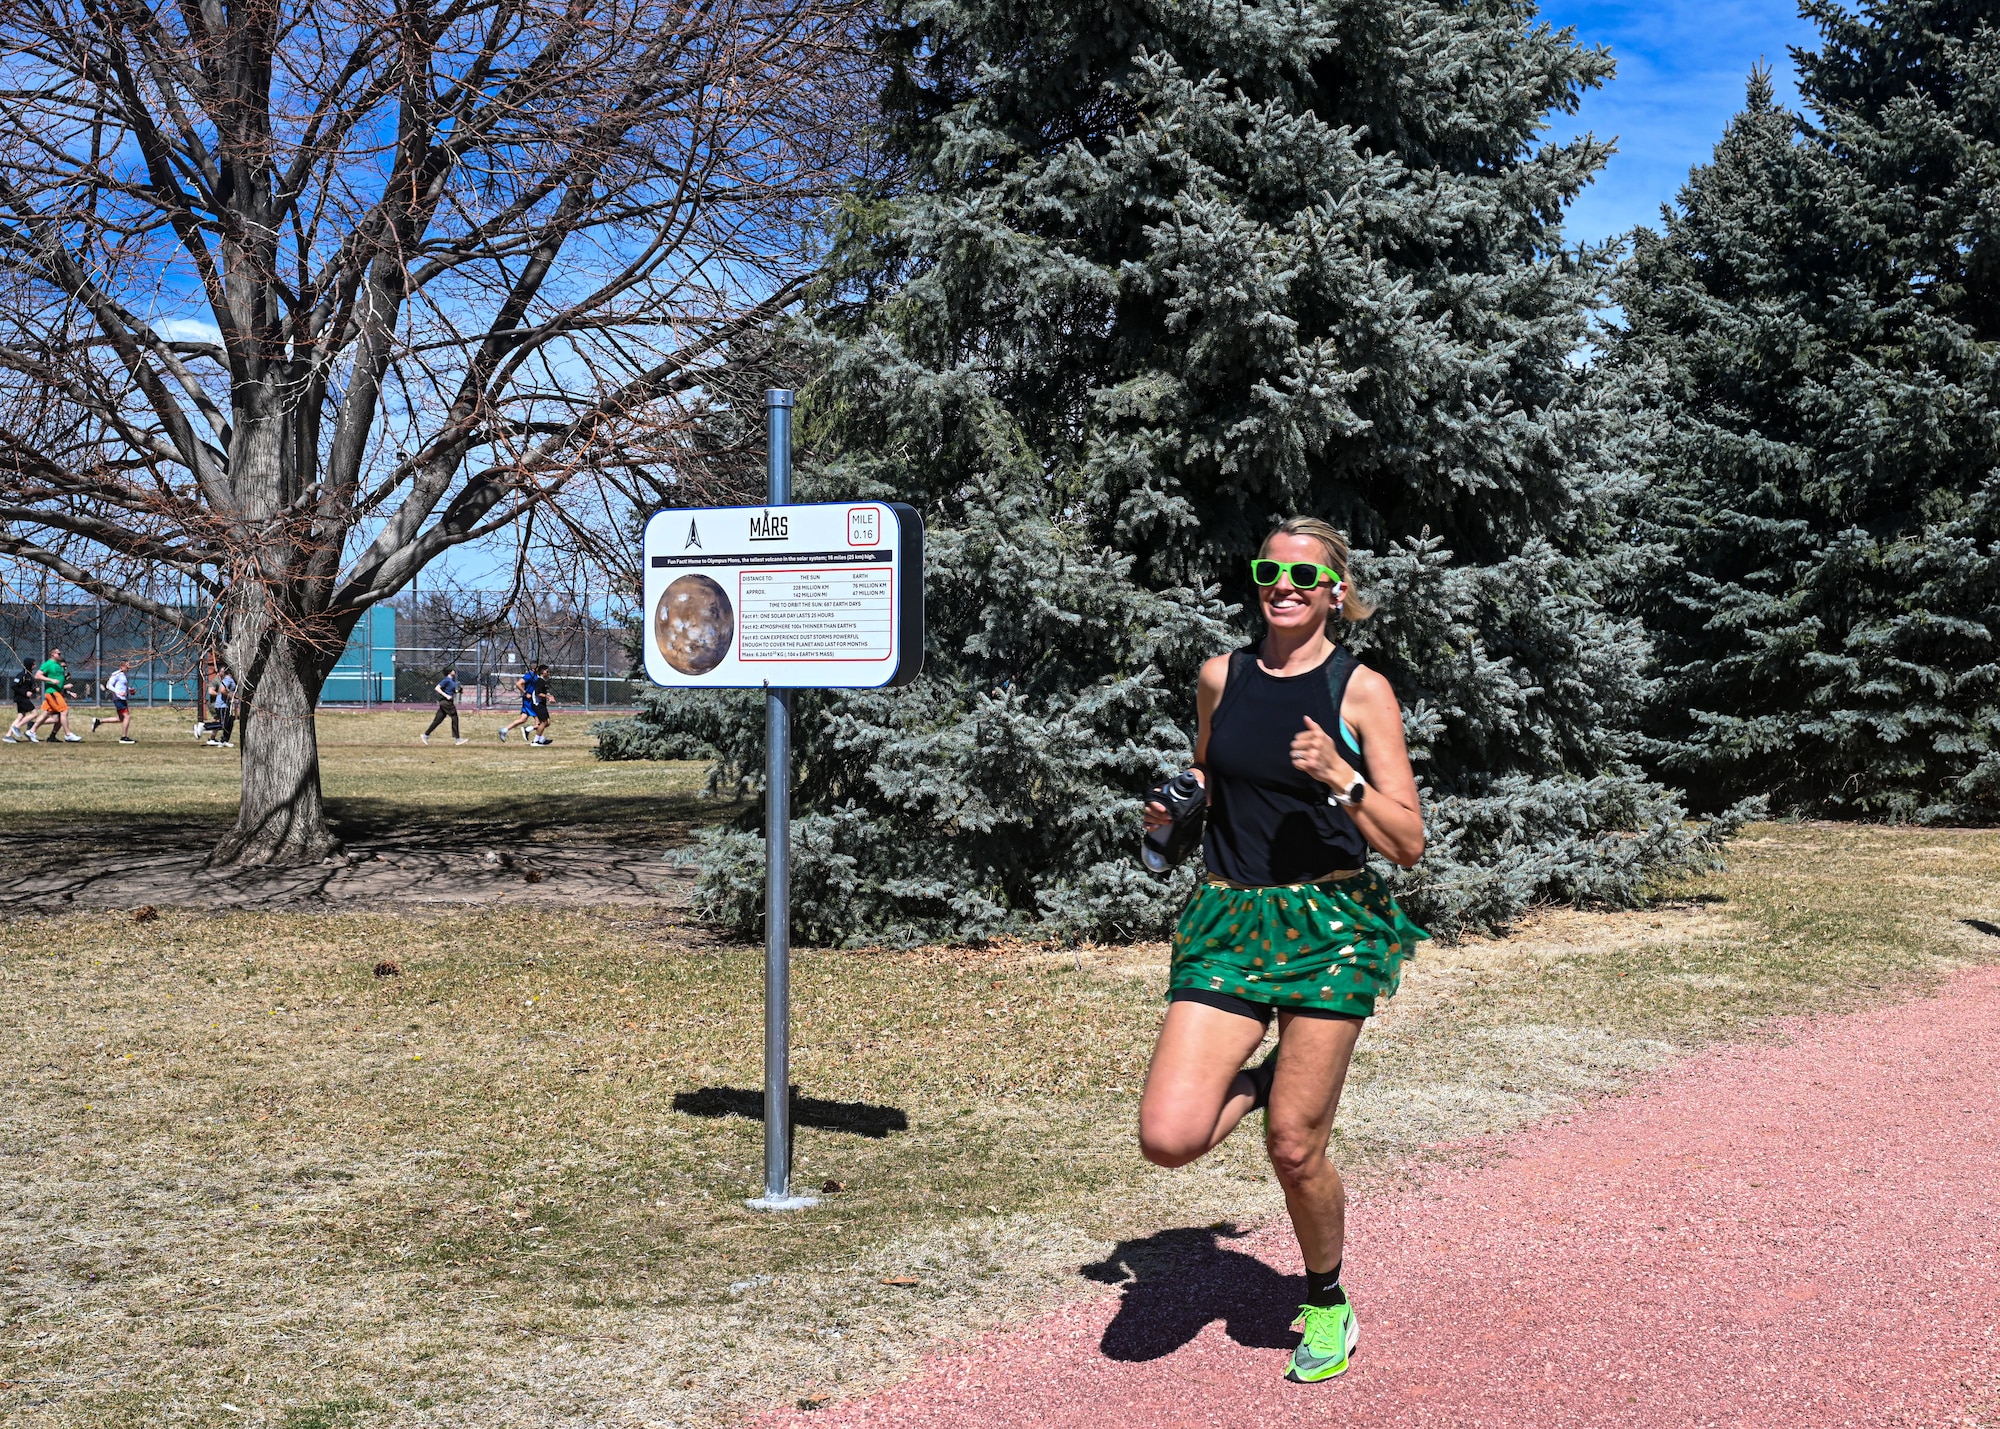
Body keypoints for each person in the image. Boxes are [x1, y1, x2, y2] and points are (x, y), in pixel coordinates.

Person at [1138, 516, 1428, 1385]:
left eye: (1306, 575)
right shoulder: (1220, 676)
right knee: (1169, 1134)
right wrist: (1174, 809)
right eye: (1270, 569)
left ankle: (1328, 1298)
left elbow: (1408, 841)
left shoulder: (1362, 688)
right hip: (1229, 921)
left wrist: (1341, 779)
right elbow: (1211, 776)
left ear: (1337, 591)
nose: (1285, 585)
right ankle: (1271, 1079)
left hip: (1330, 928)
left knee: (1295, 1148)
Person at [30, 647, 84, 743]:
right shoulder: (48, 664)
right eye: (58, 654)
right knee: (64, 711)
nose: (60, 655)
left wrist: (65, 684)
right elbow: (37, 675)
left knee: (48, 714)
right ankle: (68, 734)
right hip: (52, 692)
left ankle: (33, 731)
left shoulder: (57, 665)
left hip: (57, 692)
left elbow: (59, 679)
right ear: (53, 654)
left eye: (60, 653)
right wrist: (51, 680)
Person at [92, 660, 137, 743]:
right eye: (127, 666)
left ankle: (98, 721)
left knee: (120, 719)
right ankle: (124, 738)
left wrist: (130, 690)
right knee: (127, 716)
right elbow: (108, 685)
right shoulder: (116, 674)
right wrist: (118, 692)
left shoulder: (125, 675)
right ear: (122, 666)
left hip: (123, 699)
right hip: (118, 698)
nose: (129, 668)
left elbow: (123, 686)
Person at [423, 667, 466, 744]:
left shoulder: (452, 681)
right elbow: (437, 688)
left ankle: (426, 735)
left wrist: (458, 691)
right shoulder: (447, 680)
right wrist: (446, 696)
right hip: (446, 702)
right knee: (454, 717)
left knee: (438, 720)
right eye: (453, 670)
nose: (454, 671)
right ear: (449, 672)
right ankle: (458, 739)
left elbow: (450, 690)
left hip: (446, 702)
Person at [497, 665, 538, 743]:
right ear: (534, 667)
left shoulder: (535, 676)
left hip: (530, 700)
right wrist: (526, 693)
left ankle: (504, 730)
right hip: (530, 701)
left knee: (523, 719)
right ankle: (537, 739)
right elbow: (518, 684)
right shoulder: (530, 675)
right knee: (539, 721)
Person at [4, 658, 38, 742]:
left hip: (24, 697)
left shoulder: (29, 675)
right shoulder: (22, 675)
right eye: (34, 664)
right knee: (34, 713)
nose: (35, 666)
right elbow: (14, 686)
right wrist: (25, 693)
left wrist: (34, 690)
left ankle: (8, 736)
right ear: (29, 665)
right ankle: (17, 727)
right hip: (21, 698)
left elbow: (26, 687)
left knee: (21, 716)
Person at [204, 668, 236, 747]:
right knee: (223, 724)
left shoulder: (228, 679)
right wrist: (230, 696)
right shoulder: (227, 679)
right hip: (221, 705)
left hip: (226, 704)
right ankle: (203, 726)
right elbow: (221, 690)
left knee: (229, 723)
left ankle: (224, 740)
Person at [530, 662, 554, 745]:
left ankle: (537, 736)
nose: (548, 673)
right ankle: (536, 741)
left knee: (547, 722)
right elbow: (538, 693)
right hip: (537, 704)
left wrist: (548, 696)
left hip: (542, 704)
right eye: (547, 672)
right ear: (542, 672)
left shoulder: (543, 681)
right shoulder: (540, 681)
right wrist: (548, 697)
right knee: (543, 722)